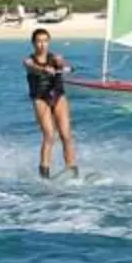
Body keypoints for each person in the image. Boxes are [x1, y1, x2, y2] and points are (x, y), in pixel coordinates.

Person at [25, 27, 78, 178]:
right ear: (33, 43)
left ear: (49, 42)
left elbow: (68, 67)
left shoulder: (55, 58)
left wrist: (61, 65)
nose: (42, 45)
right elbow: (32, 68)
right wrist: (43, 69)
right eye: (39, 42)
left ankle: (72, 170)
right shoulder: (28, 61)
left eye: (45, 41)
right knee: (49, 135)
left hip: (58, 96)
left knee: (66, 135)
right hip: (40, 98)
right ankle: (44, 173)